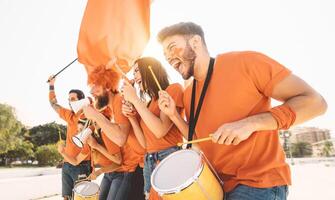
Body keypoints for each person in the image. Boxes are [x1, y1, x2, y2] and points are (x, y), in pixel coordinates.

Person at [156, 22, 328, 200]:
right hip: (219, 185)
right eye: (165, 55)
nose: (169, 58)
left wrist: (250, 124)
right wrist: (173, 115)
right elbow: (197, 140)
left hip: (259, 183)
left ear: (195, 42)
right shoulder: (189, 93)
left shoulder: (245, 62)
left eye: (172, 48)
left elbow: (316, 103)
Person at [121, 57, 184, 199]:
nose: (134, 76)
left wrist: (135, 100)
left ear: (149, 69)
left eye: (137, 71)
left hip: (168, 157)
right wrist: (132, 118)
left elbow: (160, 131)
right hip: (148, 161)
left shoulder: (172, 90)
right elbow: (144, 144)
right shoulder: (148, 105)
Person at [82, 66, 145, 200]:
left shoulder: (118, 100)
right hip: (134, 168)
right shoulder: (115, 105)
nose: (91, 91)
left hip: (136, 168)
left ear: (108, 86)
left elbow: (121, 138)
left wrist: (95, 116)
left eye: (96, 86)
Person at [48, 75, 91, 200]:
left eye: (73, 99)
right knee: (66, 197)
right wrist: (51, 85)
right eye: (69, 99)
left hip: (82, 164)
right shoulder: (69, 115)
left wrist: (62, 152)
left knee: (81, 198)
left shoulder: (87, 117)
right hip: (67, 164)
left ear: (81, 100)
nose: (70, 102)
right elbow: (53, 103)